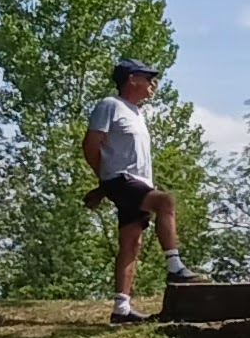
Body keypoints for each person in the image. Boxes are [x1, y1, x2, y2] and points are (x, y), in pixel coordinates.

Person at [83, 57, 204, 323]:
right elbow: (91, 145)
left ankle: (121, 309)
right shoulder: (110, 105)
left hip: (134, 182)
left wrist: (102, 189)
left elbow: (119, 153)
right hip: (122, 179)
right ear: (132, 79)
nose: (153, 84)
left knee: (131, 242)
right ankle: (174, 267)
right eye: (148, 78)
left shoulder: (137, 113)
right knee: (165, 202)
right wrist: (106, 181)